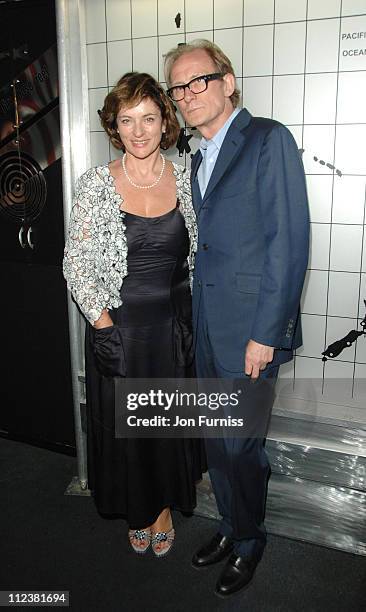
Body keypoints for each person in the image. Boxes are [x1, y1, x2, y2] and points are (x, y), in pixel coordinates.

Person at [165, 41, 309, 595]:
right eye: (179, 88)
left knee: (241, 445)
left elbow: (287, 244)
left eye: (198, 81)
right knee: (216, 441)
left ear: (228, 82)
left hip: (249, 333)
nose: (187, 95)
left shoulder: (267, 140)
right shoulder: (198, 155)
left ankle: (250, 541)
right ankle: (229, 525)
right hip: (207, 328)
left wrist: (265, 335)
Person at [63, 72, 205, 558]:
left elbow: (203, 254)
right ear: (114, 127)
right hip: (118, 329)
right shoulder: (96, 185)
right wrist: (103, 328)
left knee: (166, 426)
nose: (139, 131)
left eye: (149, 118)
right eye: (128, 120)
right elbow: (77, 263)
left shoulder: (187, 179)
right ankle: (137, 509)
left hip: (171, 331)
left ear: (166, 121)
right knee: (129, 430)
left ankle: (162, 507)